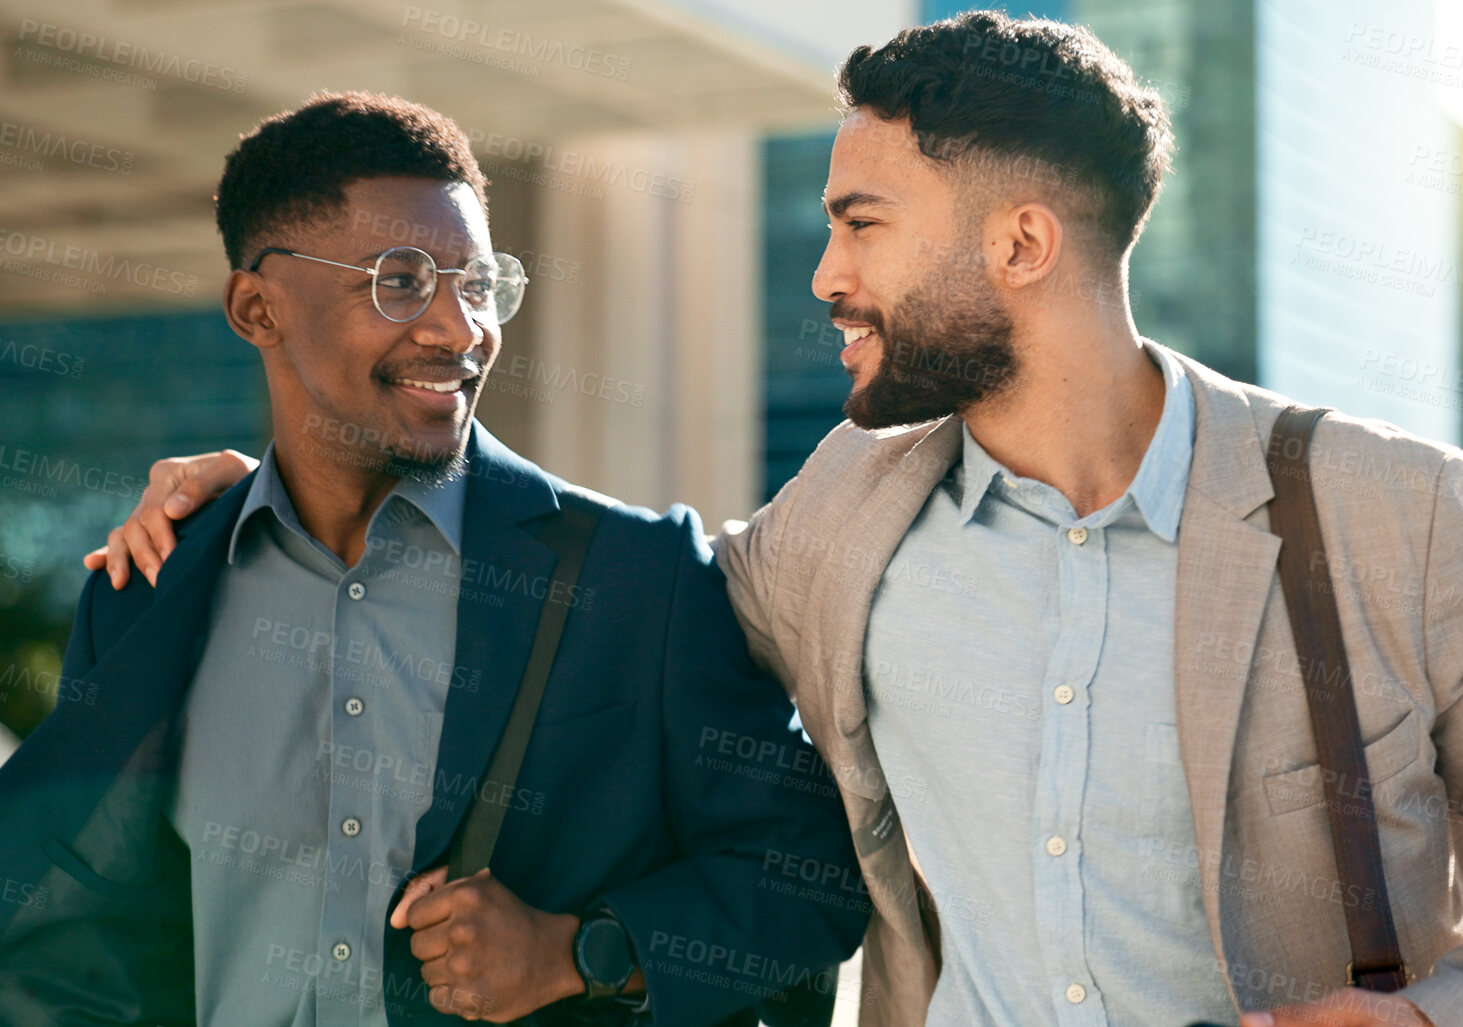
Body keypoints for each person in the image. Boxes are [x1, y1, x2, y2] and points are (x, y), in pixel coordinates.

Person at [90, 14, 1463, 1027]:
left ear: (1015, 239)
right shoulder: (831, 531)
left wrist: (1456, 1014)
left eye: (860, 222)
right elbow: (580, 588)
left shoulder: (1367, 506)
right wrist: (269, 495)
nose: (823, 272)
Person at [10, 92, 866, 1027]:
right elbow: (76, 930)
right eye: (402, 281)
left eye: (478, 282)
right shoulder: (150, 588)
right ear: (257, 308)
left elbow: (811, 874)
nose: (461, 330)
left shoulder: (636, 576)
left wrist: (584, 950)